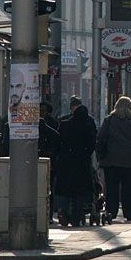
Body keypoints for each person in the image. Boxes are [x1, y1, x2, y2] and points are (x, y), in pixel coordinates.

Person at [96, 96, 131, 222]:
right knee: (128, 189)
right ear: (130, 108)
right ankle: (129, 213)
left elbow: (101, 138)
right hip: (129, 161)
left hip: (111, 160)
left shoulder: (109, 120)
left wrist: (99, 155)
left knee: (112, 188)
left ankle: (111, 212)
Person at [54, 96, 97, 227]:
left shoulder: (64, 124)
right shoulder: (88, 125)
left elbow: (58, 143)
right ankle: (76, 217)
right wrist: (85, 154)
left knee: (65, 189)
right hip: (82, 162)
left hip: (66, 161)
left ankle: (63, 210)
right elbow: (92, 144)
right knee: (80, 192)